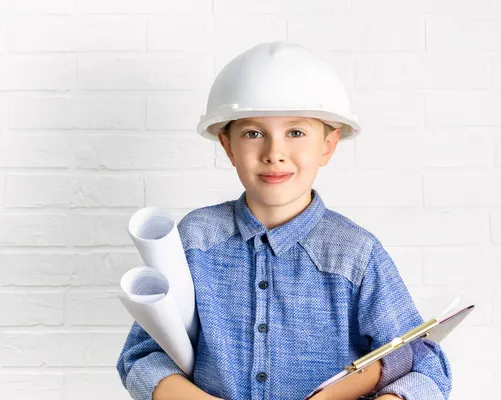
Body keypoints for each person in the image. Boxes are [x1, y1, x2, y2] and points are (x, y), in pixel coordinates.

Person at [116, 41, 452, 400]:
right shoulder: (195, 239)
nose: (274, 153)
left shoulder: (356, 253)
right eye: (253, 133)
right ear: (228, 145)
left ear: (327, 144)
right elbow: (141, 357)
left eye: (295, 133)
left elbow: (423, 364)